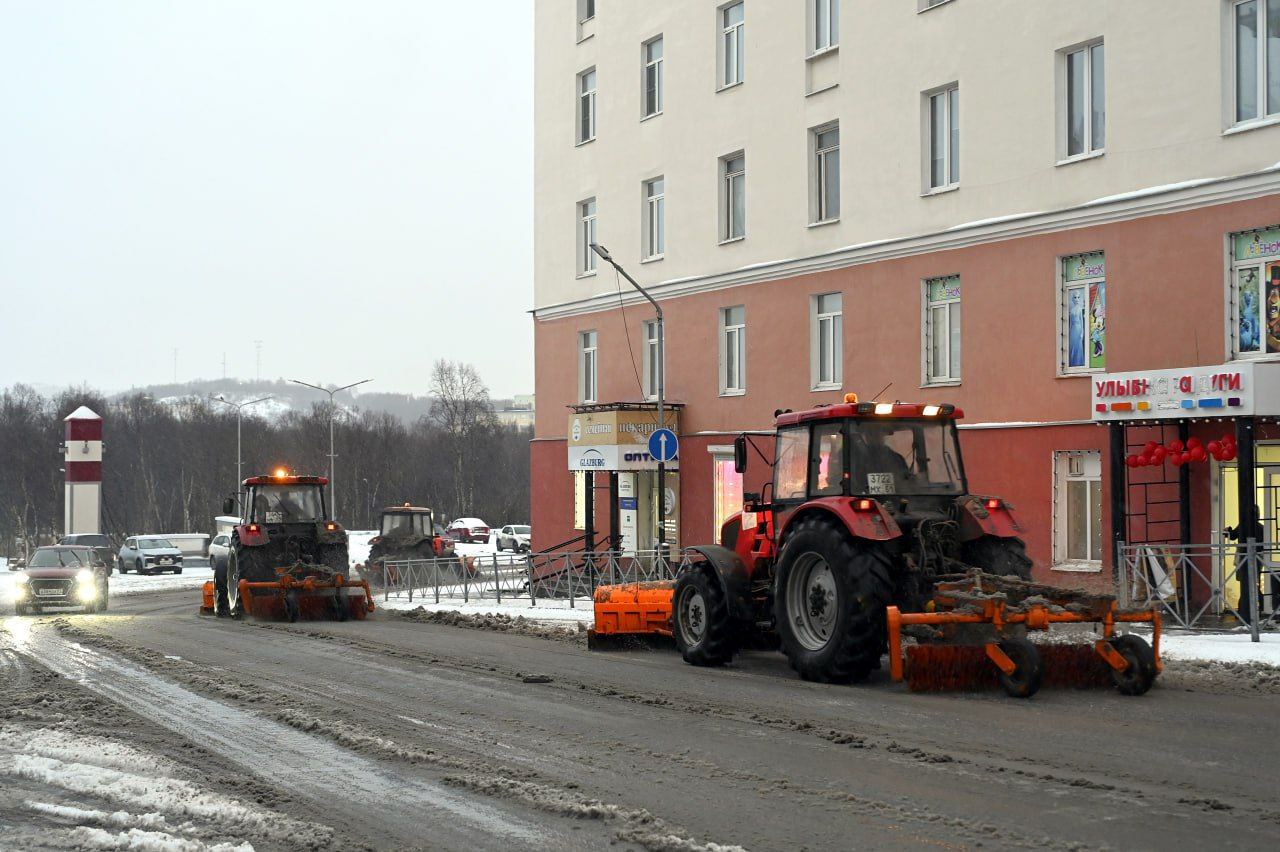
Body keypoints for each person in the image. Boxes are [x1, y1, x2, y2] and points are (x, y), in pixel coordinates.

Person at [1225, 504, 1264, 625]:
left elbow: (1232, 536)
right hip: (1257, 558)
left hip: (1244, 558)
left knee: (1245, 583)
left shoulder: (1243, 525)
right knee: (1254, 583)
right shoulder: (1261, 527)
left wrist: (1227, 531)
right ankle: (1261, 607)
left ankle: (1243, 611)